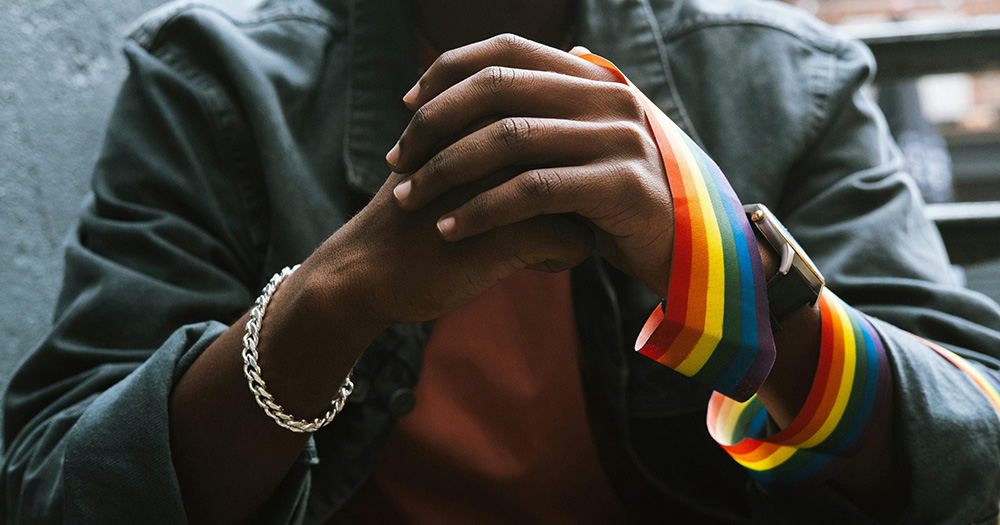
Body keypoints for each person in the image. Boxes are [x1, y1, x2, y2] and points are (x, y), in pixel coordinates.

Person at [3, 0, 999, 522]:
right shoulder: (208, 78)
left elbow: (978, 454)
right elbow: (59, 490)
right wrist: (328, 301)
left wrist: (719, 266)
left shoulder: (792, 78)